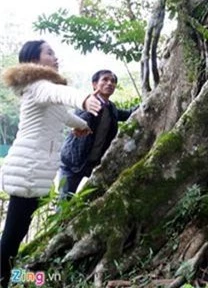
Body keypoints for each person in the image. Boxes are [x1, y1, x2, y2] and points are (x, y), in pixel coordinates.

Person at [0, 40, 101, 288]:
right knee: (13, 234)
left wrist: (81, 126)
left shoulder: (43, 90)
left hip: (35, 170)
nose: (55, 57)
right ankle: (3, 278)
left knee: (18, 231)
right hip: (28, 168)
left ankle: (12, 277)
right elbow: (62, 95)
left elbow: (63, 114)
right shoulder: (38, 86)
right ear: (34, 60)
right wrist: (86, 98)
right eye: (49, 53)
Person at [59, 69, 137, 199]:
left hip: (94, 164)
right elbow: (79, 119)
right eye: (105, 80)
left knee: (94, 200)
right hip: (73, 163)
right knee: (64, 202)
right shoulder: (86, 102)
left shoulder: (111, 108)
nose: (110, 83)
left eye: (112, 81)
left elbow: (129, 113)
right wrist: (90, 104)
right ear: (94, 84)